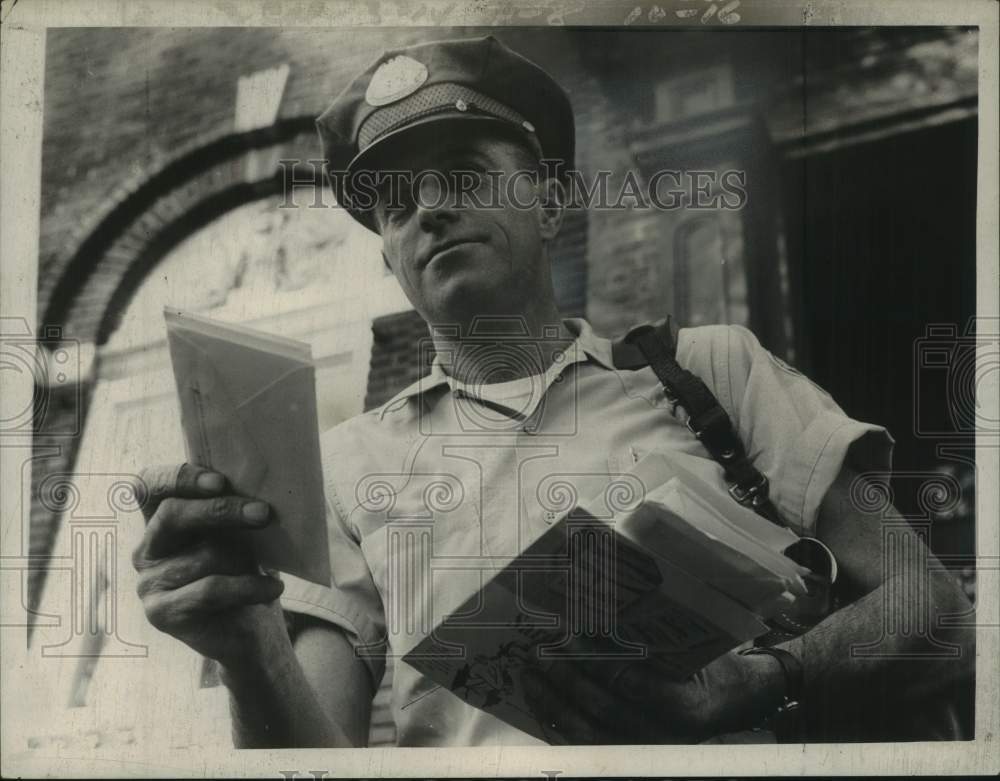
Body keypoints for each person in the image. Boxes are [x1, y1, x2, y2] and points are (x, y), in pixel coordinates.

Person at [131, 35, 974, 747]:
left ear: (553, 200)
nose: (427, 209)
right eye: (393, 205)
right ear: (387, 256)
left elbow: (936, 610)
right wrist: (247, 647)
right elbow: (322, 756)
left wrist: (751, 684)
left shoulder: (710, 370)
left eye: (463, 171)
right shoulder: (348, 467)